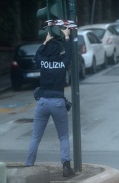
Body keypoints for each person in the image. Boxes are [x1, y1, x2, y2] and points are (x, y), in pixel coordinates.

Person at [25, 28, 75, 177]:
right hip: (58, 102)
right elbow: (69, 54)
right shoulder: (62, 63)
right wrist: (66, 37)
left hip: (42, 102)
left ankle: (28, 165)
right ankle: (66, 167)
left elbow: (37, 55)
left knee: (35, 137)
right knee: (63, 137)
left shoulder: (43, 62)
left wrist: (45, 41)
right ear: (58, 52)